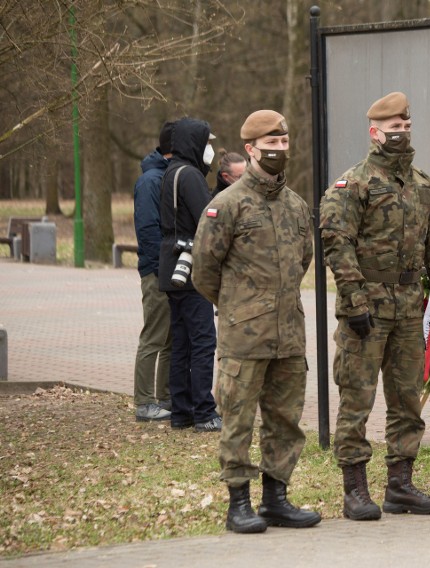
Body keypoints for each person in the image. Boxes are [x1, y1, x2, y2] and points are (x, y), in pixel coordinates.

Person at [320, 92, 430, 521]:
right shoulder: (353, 184)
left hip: (408, 306)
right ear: (374, 132)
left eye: (405, 127)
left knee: (407, 399)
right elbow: (336, 243)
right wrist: (353, 299)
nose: (400, 134)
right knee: (356, 398)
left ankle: (401, 485)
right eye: (392, 128)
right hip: (367, 307)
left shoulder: (423, 185)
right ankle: (355, 490)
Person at [193, 110, 321, 534]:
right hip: (244, 337)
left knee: (285, 419)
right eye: (271, 145)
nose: (279, 151)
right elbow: (204, 272)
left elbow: (303, 258)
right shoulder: (226, 206)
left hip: (288, 334)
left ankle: (276, 499)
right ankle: (238, 503)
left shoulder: (297, 206)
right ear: (250, 149)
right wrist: (238, 307)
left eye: (284, 144)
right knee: (238, 419)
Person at [158, 116, 220, 433]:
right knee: (203, 340)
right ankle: (204, 410)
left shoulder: (171, 172)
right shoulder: (191, 176)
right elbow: (208, 219)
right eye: (207, 143)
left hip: (171, 265)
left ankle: (181, 411)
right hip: (190, 267)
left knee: (181, 342)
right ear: (195, 144)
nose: (210, 150)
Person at [132, 121, 174, 422]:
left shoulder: (165, 176)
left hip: (167, 270)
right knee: (154, 336)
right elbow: (147, 229)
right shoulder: (151, 181)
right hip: (157, 271)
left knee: (169, 336)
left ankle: (164, 397)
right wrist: (161, 269)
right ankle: (144, 401)